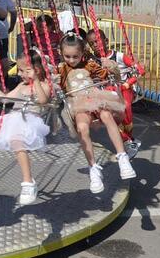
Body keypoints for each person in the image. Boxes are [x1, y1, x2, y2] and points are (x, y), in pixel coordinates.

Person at [0, 49, 53, 205]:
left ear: (36, 70)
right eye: (19, 70)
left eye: (23, 70)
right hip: (13, 118)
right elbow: (5, 99)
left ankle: (28, 183)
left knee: (16, 141)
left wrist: (36, 81)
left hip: (30, 120)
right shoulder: (21, 85)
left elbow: (42, 100)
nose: (19, 73)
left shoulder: (44, 85)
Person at [57, 33, 135, 193]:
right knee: (82, 128)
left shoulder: (90, 65)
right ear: (62, 54)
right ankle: (93, 168)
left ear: (82, 53)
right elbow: (56, 84)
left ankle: (122, 157)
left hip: (94, 97)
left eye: (75, 56)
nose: (71, 60)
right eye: (67, 56)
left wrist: (111, 67)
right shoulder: (62, 69)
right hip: (78, 103)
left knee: (106, 115)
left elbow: (110, 77)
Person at [93, 29, 141, 158]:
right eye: (92, 43)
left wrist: (128, 83)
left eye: (97, 41)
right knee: (110, 114)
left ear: (106, 41)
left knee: (124, 107)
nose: (95, 45)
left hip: (124, 88)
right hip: (107, 92)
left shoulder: (119, 56)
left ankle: (128, 139)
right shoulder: (93, 61)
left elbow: (140, 70)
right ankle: (127, 141)